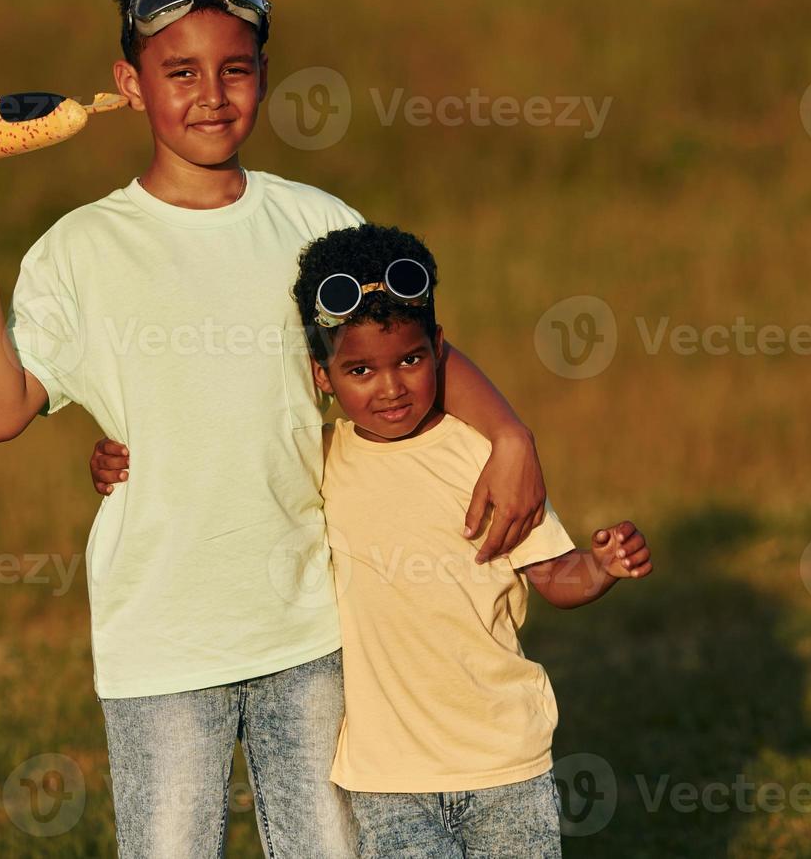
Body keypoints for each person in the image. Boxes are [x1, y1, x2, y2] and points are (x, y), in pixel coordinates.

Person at [0, 0, 549, 858]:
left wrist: (510, 433)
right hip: (161, 640)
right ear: (130, 85)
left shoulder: (318, 224)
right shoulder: (80, 248)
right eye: (179, 71)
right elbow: (2, 409)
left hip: (312, 630)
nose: (210, 95)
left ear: (263, 77)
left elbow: (419, 351)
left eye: (235, 70)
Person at [96, 222, 653, 858]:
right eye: (360, 369)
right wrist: (115, 461)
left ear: (438, 349)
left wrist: (603, 564)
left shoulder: (486, 460)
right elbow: (224, 475)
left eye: (409, 361)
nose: (389, 387)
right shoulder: (319, 460)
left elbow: (558, 579)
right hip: (387, 781)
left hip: (506, 763)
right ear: (323, 375)